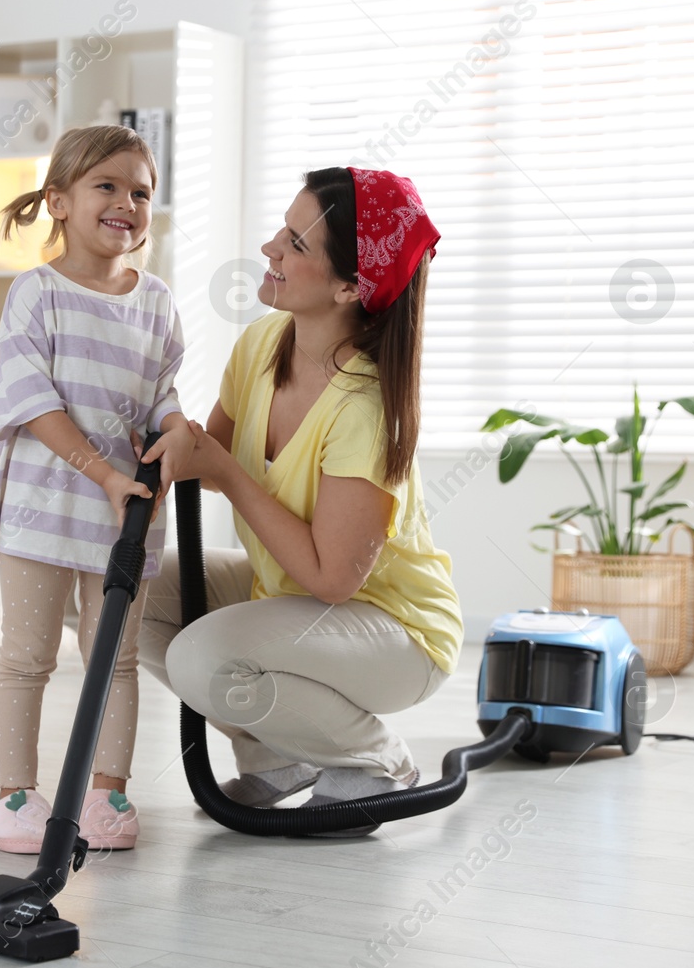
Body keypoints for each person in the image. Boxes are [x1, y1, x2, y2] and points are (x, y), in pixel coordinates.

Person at [141, 166, 463, 836]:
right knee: (127, 595)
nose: (269, 250)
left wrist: (225, 470)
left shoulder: (365, 404)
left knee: (200, 656)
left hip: (394, 631)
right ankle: (282, 755)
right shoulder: (262, 344)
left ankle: (374, 760)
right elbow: (202, 454)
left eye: (295, 242)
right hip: (286, 598)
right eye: (281, 229)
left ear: (351, 286)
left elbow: (331, 577)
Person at [0, 125, 195, 854]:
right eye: (107, 185)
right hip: (45, 511)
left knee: (117, 660)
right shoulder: (36, 293)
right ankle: (15, 793)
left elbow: (162, 387)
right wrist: (101, 471)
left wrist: (176, 426)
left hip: (125, 516)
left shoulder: (157, 301)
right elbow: (30, 397)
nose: (126, 203)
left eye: (141, 191)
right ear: (60, 201)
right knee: (27, 655)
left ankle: (109, 791)